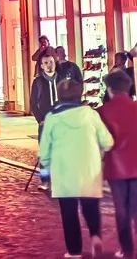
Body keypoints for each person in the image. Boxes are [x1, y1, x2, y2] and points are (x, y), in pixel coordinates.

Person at [39, 78, 113, 259]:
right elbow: (108, 142)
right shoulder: (91, 114)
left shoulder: (52, 118)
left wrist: (45, 172)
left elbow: (45, 150)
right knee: (91, 206)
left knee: (69, 213)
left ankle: (74, 252)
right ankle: (95, 236)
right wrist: (100, 151)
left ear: (60, 96)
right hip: (89, 169)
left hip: (64, 172)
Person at [99, 69, 137, 259]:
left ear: (110, 89)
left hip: (116, 168)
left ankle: (127, 249)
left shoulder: (103, 111)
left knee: (121, 210)